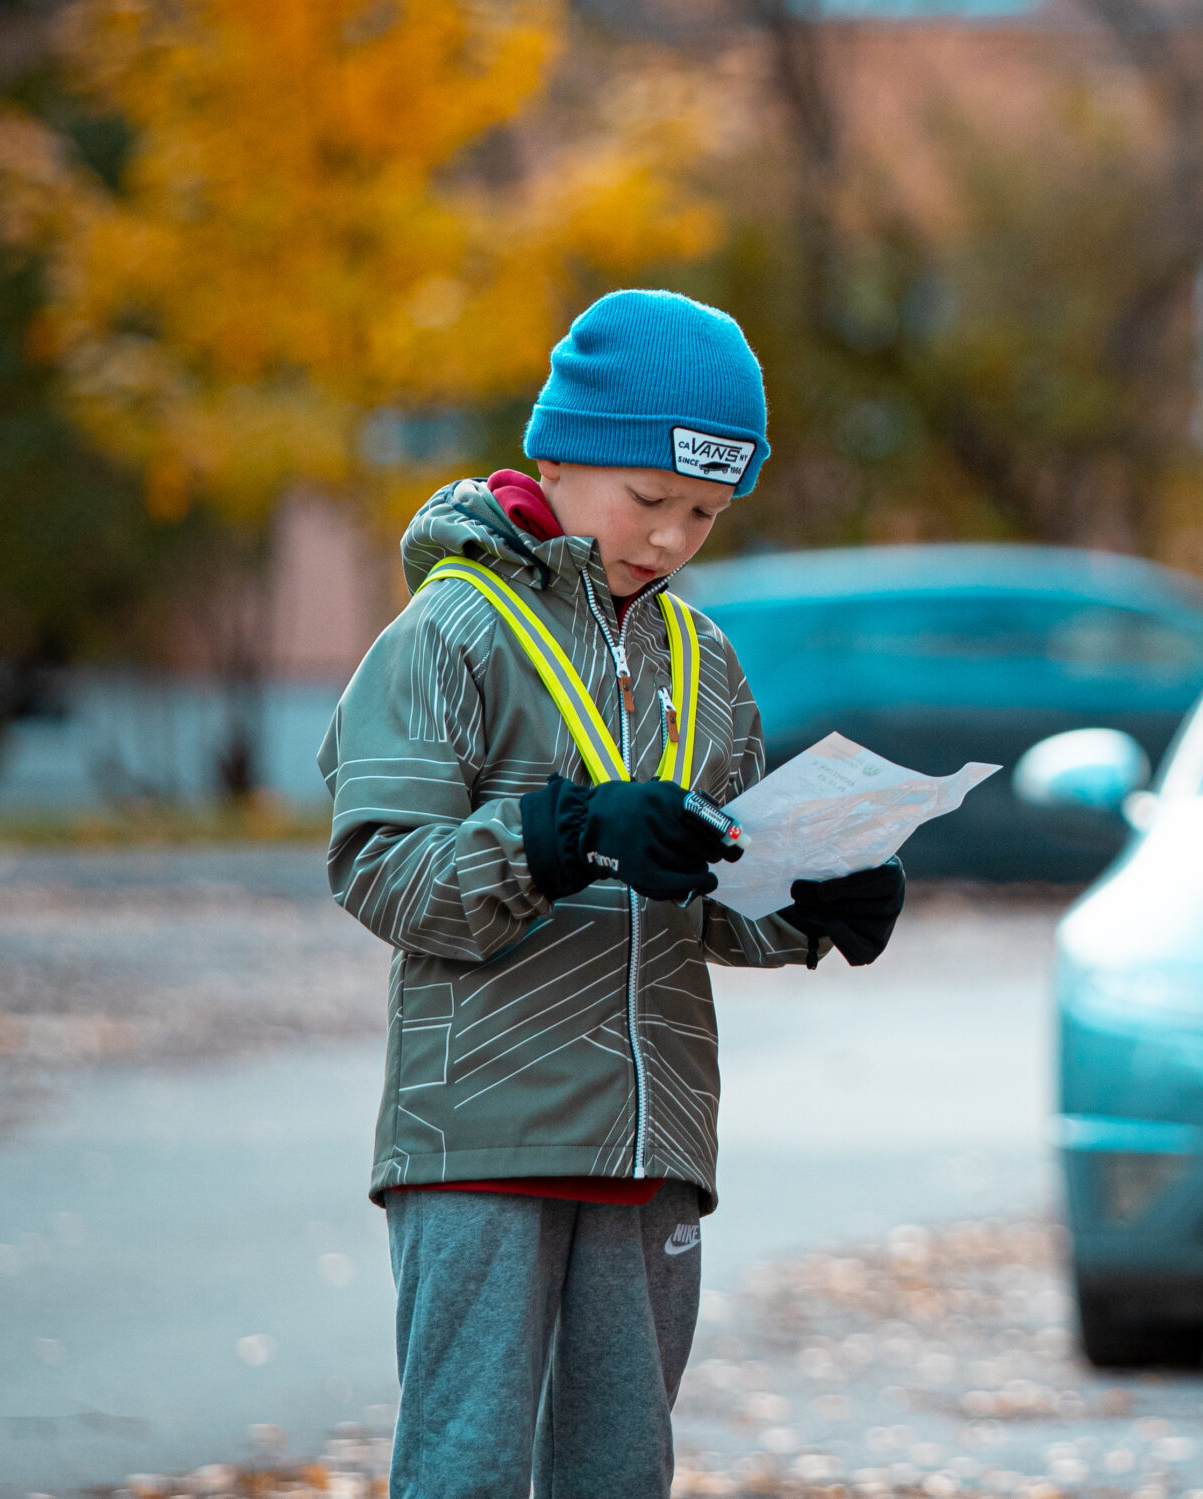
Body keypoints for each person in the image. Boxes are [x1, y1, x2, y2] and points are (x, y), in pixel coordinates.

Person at [320, 289, 908, 1499]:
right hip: (477, 1141)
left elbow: (714, 881)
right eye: (648, 500)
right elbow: (380, 867)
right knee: (468, 1470)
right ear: (562, 451)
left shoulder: (704, 661)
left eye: (704, 513)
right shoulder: (450, 632)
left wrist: (811, 905)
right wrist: (561, 834)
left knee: (618, 1471)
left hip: (652, 1146)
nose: (671, 538)